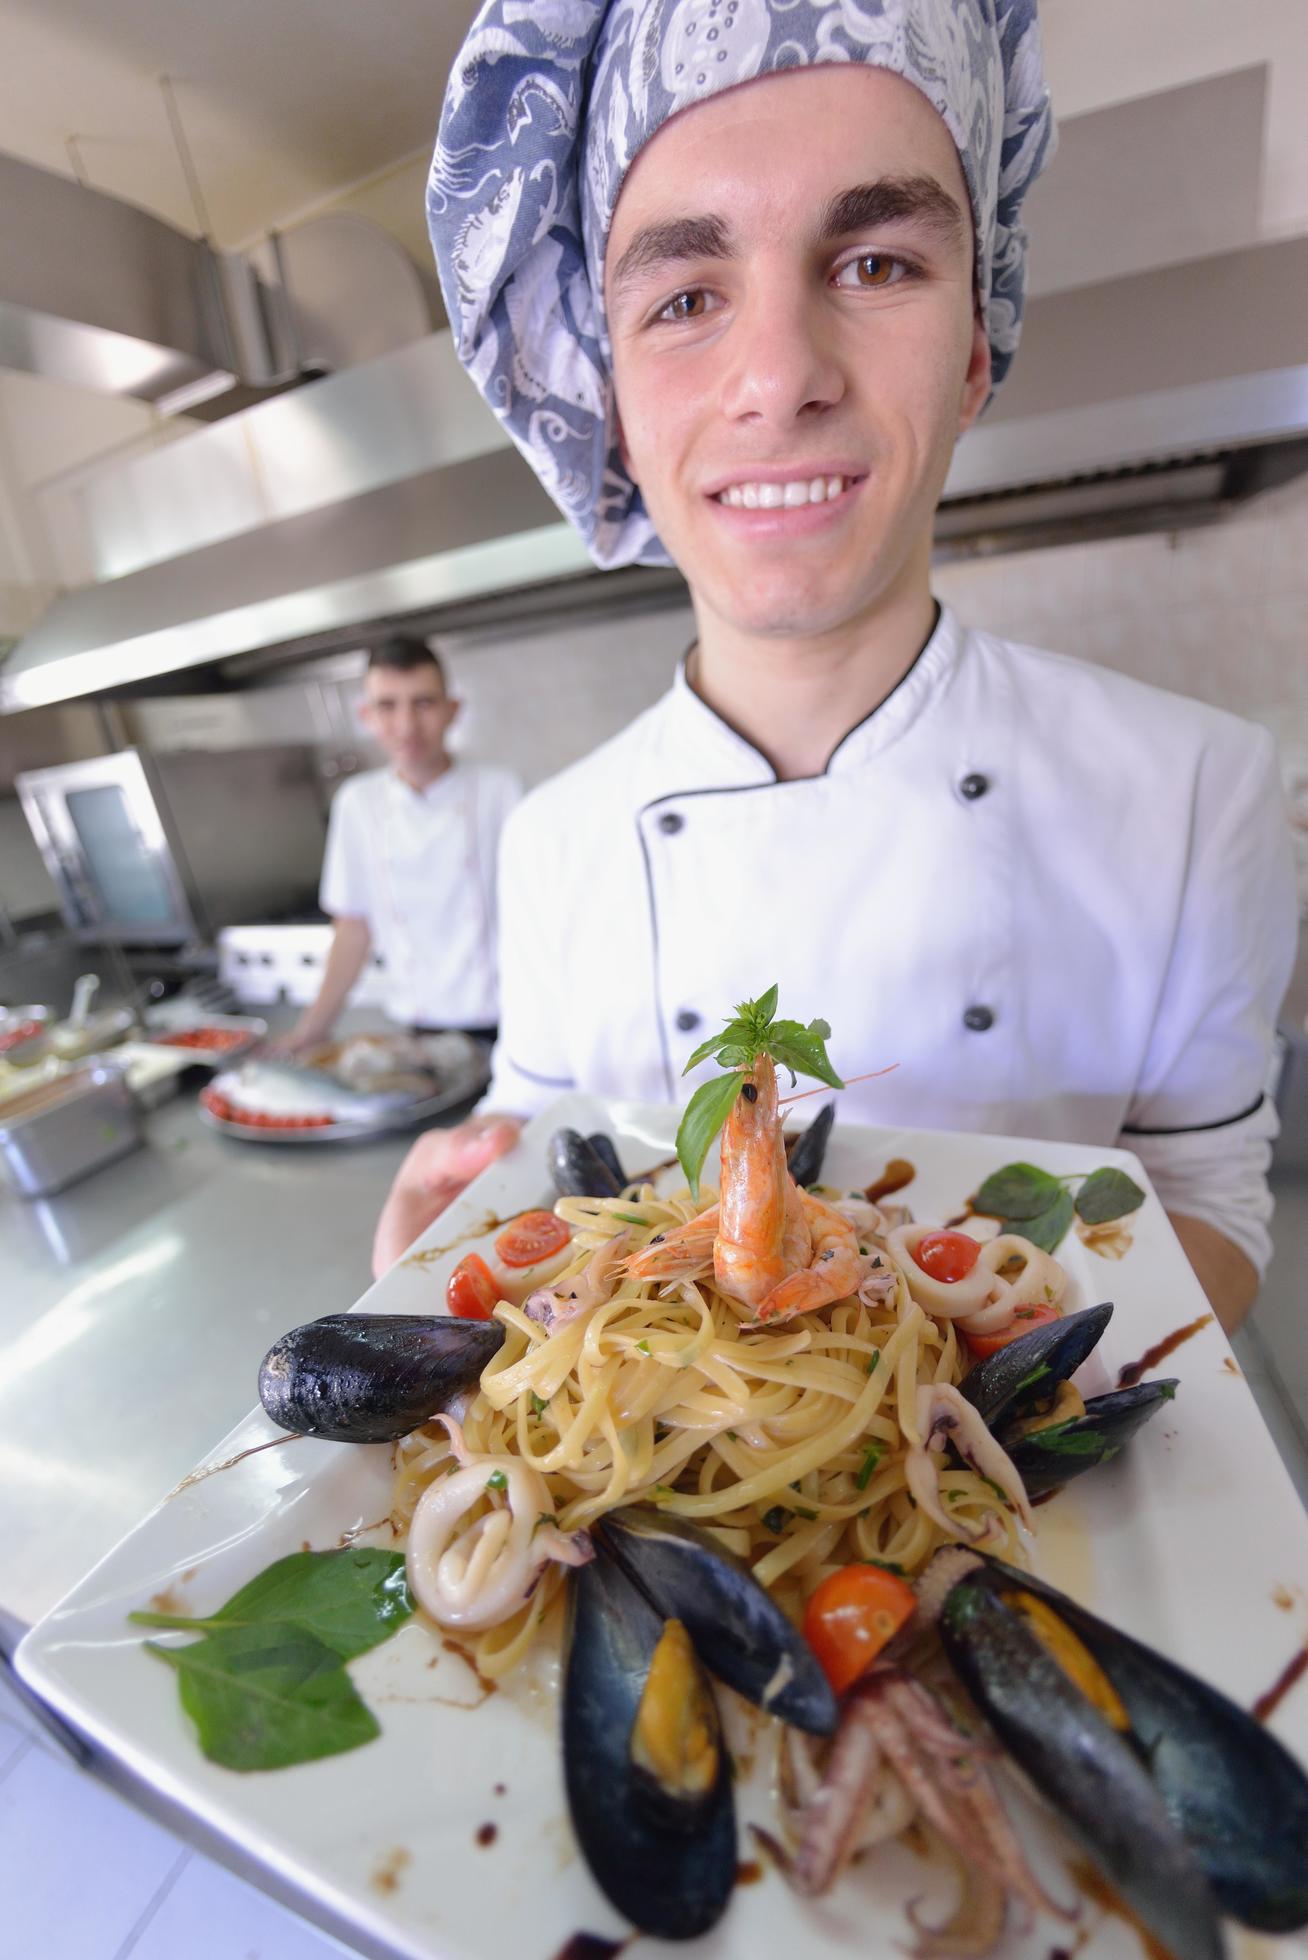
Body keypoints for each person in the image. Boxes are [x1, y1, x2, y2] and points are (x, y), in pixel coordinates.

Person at [374, 0, 1297, 1334]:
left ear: (976, 346)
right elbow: (525, 1134)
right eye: (687, 296)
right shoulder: (550, 839)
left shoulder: (1199, 790)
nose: (780, 375)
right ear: (609, 404)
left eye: (873, 265)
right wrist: (436, 1235)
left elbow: (1212, 1195)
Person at [287, 636, 520, 1049]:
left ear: (453, 711)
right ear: (366, 716)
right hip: (416, 1028)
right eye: (387, 705)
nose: (407, 725)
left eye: (424, 703)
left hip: (510, 1018)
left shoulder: (501, 790)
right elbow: (353, 928)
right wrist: (312, 1029)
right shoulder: (357, 803)